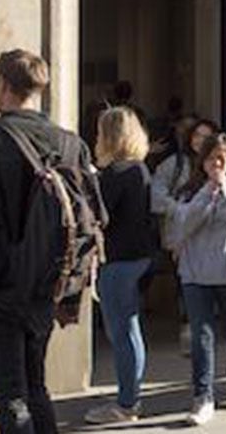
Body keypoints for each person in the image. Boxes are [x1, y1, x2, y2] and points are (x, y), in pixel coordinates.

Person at [0, 49, 104, 434]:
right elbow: (92, 218)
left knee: (9, 393)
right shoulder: (70, 144)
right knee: (36, 385)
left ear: (1, 85)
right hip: (47, 282)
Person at [86, 107, 156, 425]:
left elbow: (98, 214)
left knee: (122, 333)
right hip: (138, 257)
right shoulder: (139, 169)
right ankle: (131, 396)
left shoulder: (117, 174)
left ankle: (127, 404)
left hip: (120, 261)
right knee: (131, 331)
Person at [168, 132, 226, 425]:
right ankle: (203, 395)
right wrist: (207, 194)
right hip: (196, 274)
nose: (217, 164)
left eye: (222, 158)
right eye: (211, 159)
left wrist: (225, 193)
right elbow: (184, 227)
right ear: (203, 162)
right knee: (202, 336)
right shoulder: (189, 191)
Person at [152, 116, 221, 217]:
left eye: (206, 137)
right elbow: (156, 193)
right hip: (178, 227)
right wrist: (179, 209)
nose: (200, 141)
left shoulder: (219, 164)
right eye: (197, 135)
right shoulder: (174, 163)